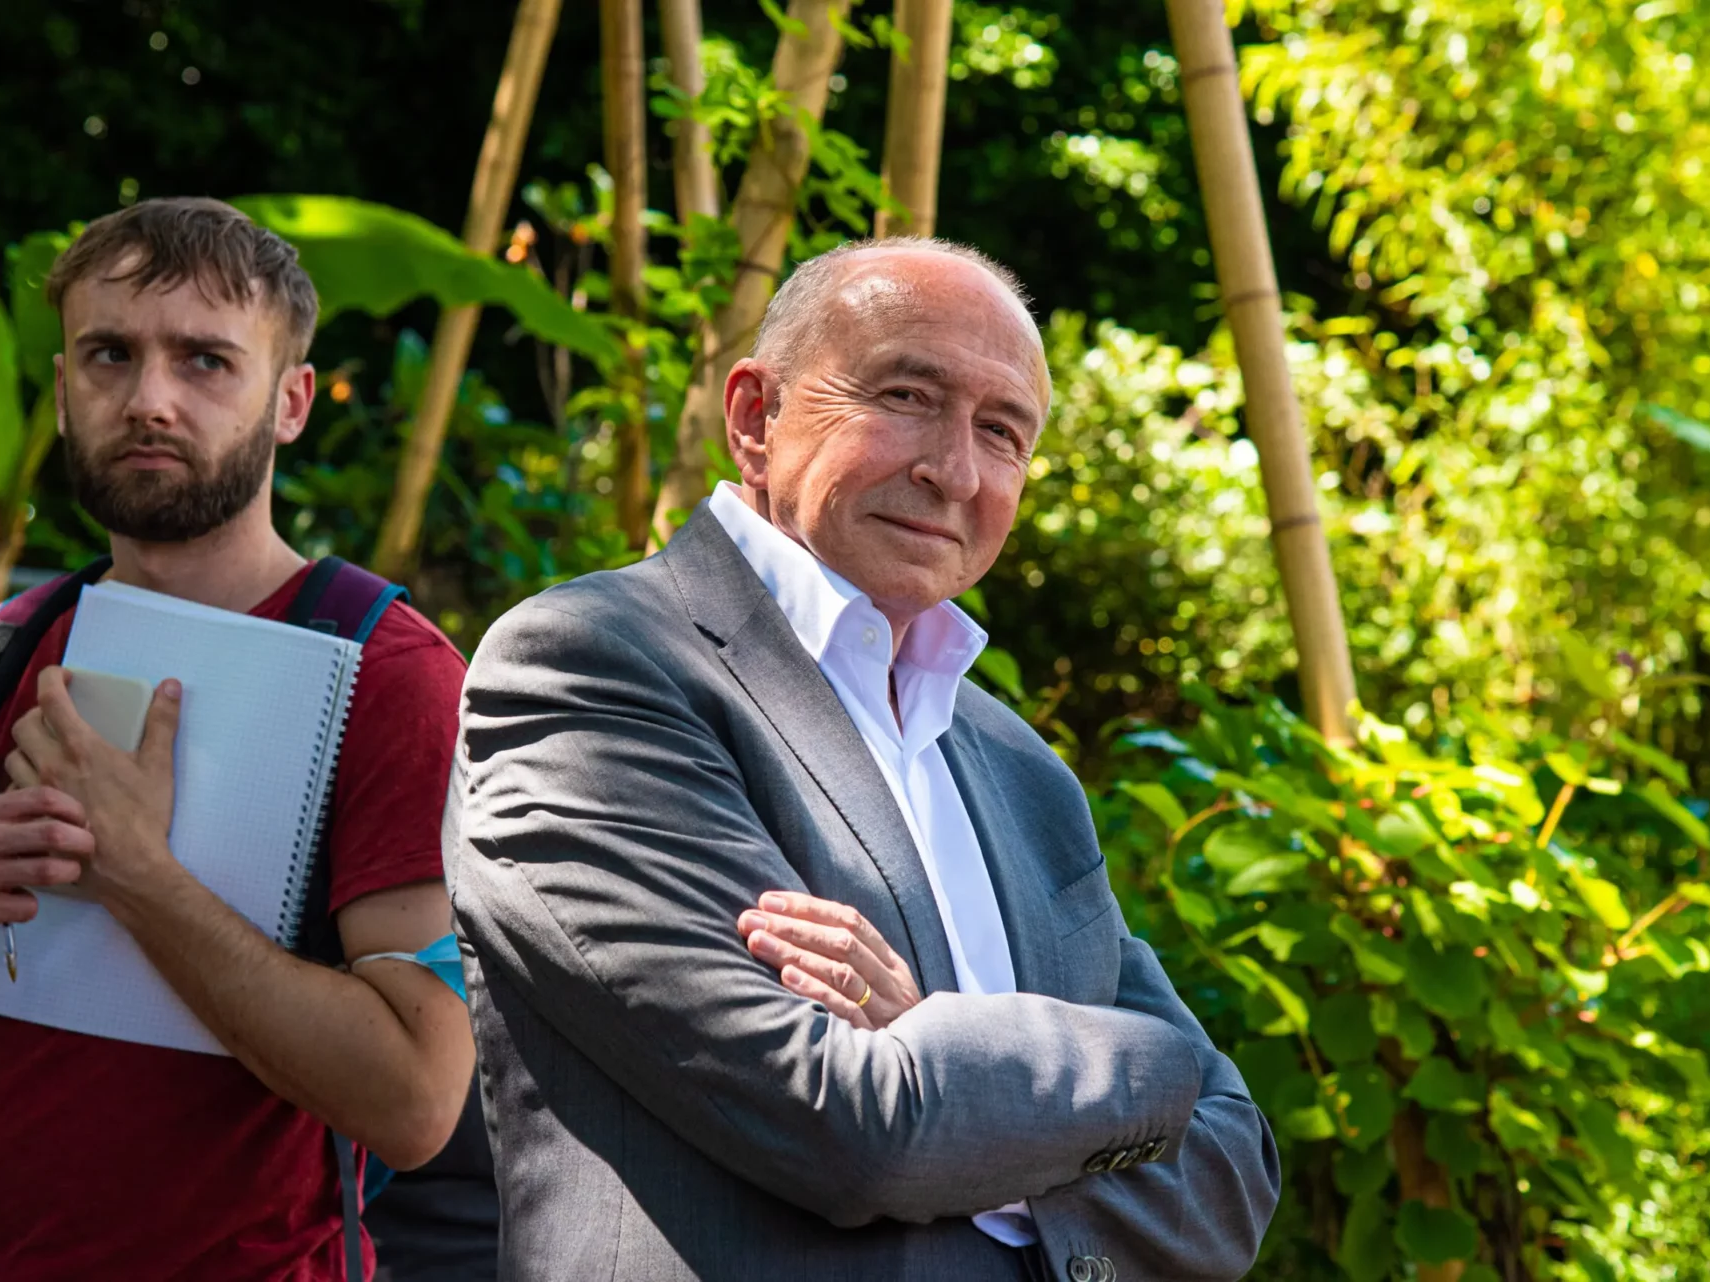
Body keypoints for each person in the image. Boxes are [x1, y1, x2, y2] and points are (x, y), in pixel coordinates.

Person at [450, 238, 1281, 1282]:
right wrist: (1148, 1078)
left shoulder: (1022, 773)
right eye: (907, 395)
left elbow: (1233, 1172)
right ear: (755, 416)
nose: (954, 469)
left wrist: (943, 1036)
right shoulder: (597, 670)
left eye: (1003, 432)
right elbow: (846, 1126)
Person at [0, 198, 474, 1280]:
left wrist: (140, 874)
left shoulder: (388, 673)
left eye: (204, 362)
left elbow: (417, 1100)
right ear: (59, 386)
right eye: (108, 355)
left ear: (291, 402)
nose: (148, 399)